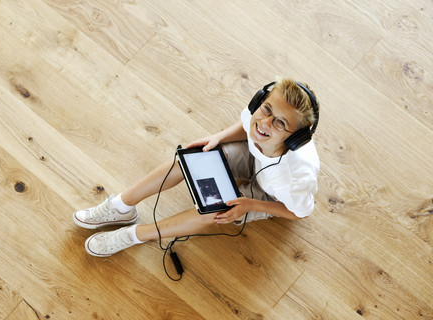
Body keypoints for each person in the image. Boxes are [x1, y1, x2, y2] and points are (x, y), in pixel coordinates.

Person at [73, 78, 320, 257]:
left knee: (215, 211)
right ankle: (121, 207)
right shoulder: (260, 114)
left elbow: (300, 212)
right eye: (266, 109)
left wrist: (251, 205)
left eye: (279, 123)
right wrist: (218, 137)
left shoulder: (296, 177)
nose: (264, 122)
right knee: (191, 158)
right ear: (261, 101)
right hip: (254, 153)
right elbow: (246, 124)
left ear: (294, 138)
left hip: (271, 194)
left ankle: (133, 235)